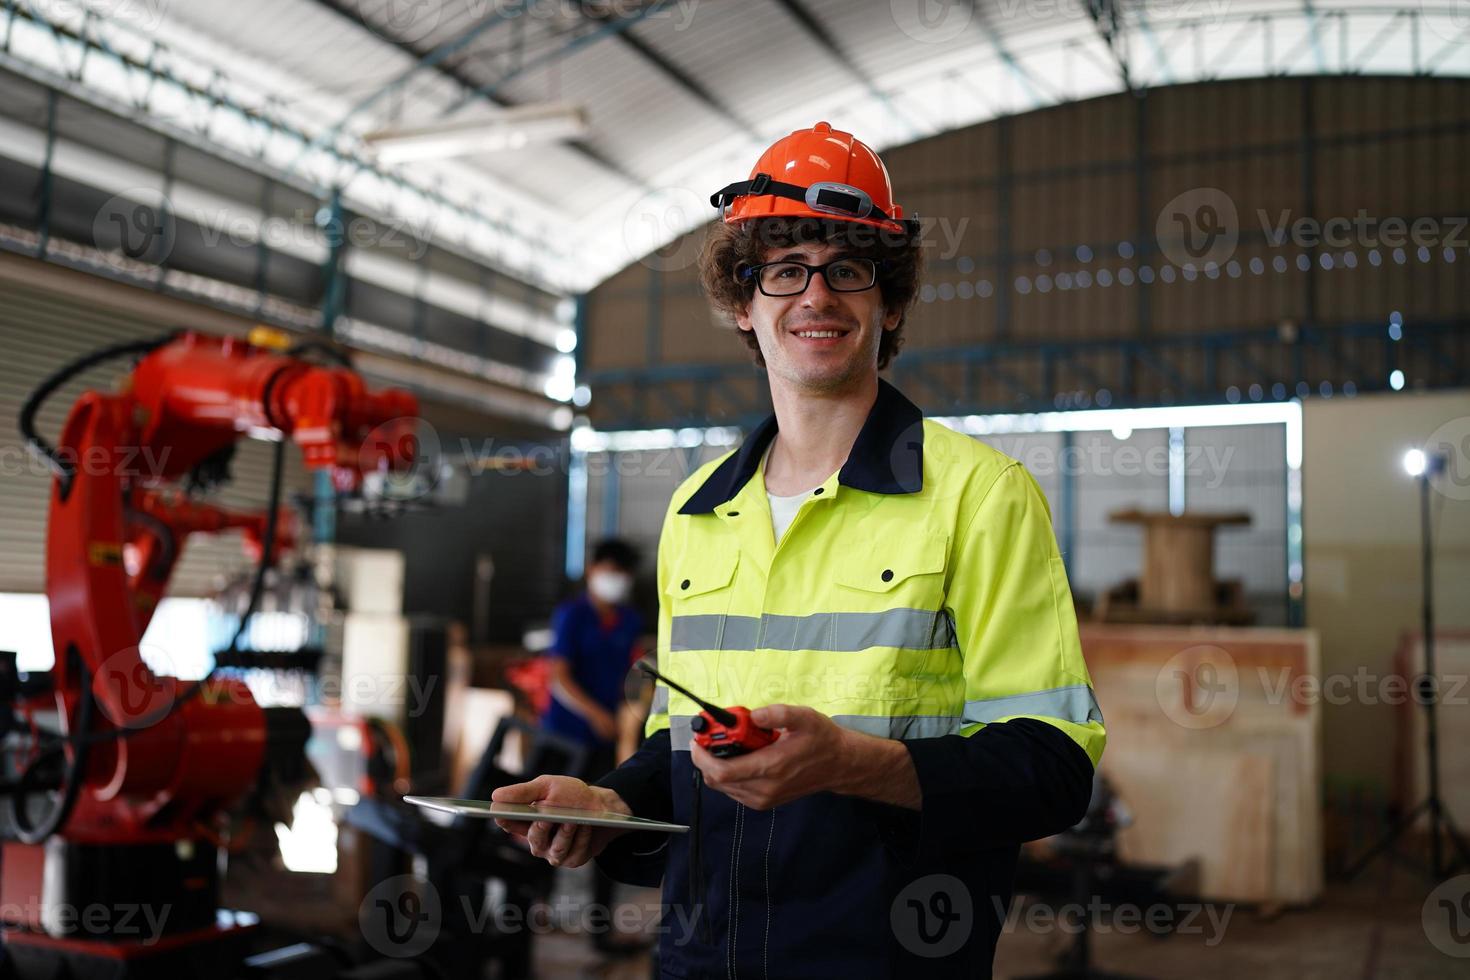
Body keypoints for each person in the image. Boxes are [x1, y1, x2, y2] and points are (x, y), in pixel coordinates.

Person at [495, 122, 1106, 977]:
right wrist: (609, 804)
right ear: (744, 305)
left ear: (888, 304)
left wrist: (858, 765)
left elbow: (1051, 764)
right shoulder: (698, 514)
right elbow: (684, 746)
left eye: (847, 269)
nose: (815, 295)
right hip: (701, 957)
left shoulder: (978, 495)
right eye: (784, 269)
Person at [538, 536, 648, 954]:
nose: (616, 580)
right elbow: (558, 676)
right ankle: (538, 907)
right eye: (610, 572)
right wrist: (593, 713)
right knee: (547, 822)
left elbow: (630, 678)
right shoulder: (572, 615)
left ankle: (601, 930)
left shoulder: (628, 620)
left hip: (602, 744)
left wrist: (624, 718)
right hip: (565, 739)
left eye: (622, 574)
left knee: (603, 824)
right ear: (593, 571)